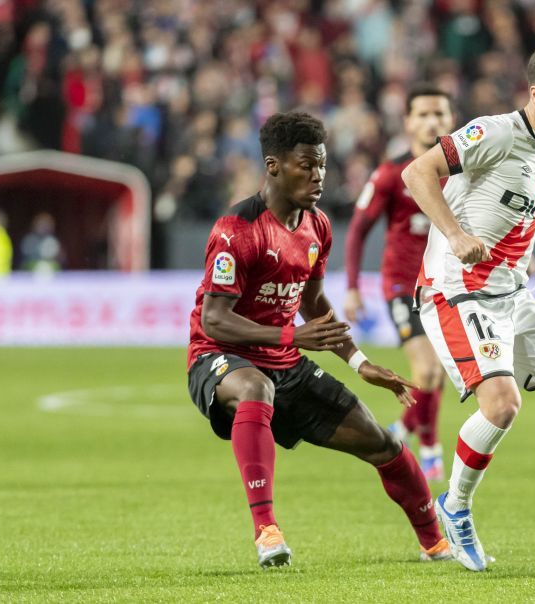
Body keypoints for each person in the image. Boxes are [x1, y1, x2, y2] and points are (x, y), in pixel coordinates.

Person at [186, 111, 450, 568]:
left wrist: (358, 360)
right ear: (273, 166)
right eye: (306, 165)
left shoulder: (317, 226)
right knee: (254, 388)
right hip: (220, 358)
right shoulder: (236, 230)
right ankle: (267, 531)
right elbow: (215, 321)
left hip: (286, 360)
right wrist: (291, 334)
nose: (318, 175)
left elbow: (312, 301)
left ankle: (438, 544)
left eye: (322, 165)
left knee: (381, 443)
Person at [402, 37, 535, 572]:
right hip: (458, 291)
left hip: (510, 291)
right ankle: (455, 505)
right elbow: (416, 174)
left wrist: (519, 257)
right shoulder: (493, 132)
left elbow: (505, 209)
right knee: (502, 405)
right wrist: (453, 234)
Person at [343, 84, 455, 481]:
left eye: (439, 114)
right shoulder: (391, 173)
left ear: (451, 120)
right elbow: (357, 230)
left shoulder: (463, 172)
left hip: (447, 286)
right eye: (423, 114)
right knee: (426, 371)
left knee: (438, 373)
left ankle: (402, 428)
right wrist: (353, 286)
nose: (432, 122)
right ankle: (430, 451)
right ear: (408, 122)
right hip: (403, 286)